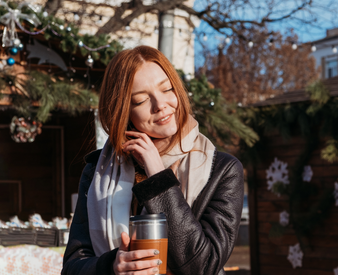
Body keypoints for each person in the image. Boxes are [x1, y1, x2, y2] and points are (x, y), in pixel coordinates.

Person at [62, 45, 244, 275]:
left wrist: (159, 177)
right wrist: (111, 266)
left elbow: (203, 266)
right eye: (140, 101)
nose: (161, 105)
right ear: (123, 111)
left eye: (167, 89)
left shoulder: (222, 170)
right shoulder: (97, 171)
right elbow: (72, 267)